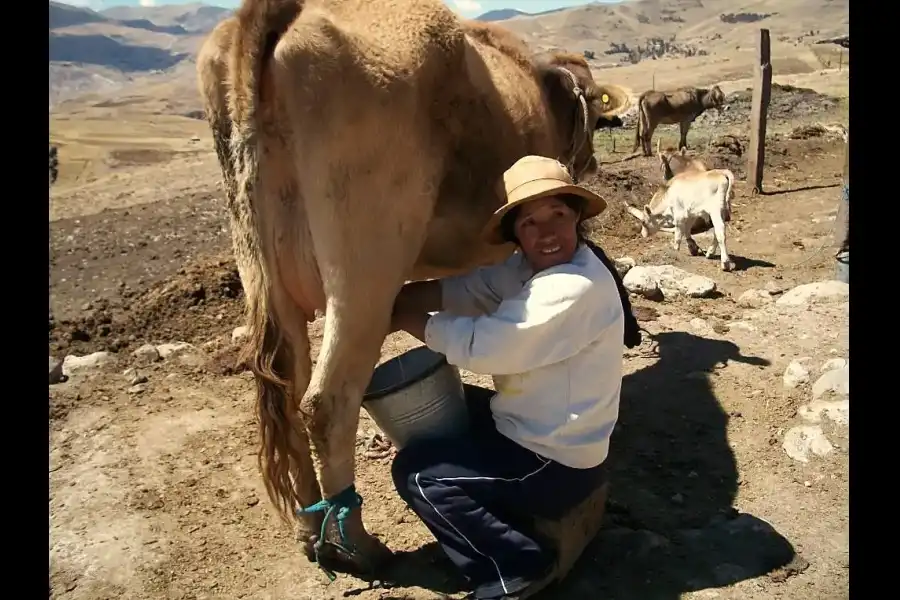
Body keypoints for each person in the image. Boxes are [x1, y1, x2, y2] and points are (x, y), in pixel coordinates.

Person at [388, 155, 637, 600]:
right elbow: (471, 288)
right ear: (517, 236)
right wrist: (396, 295)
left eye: (557, 215)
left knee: (420, 475)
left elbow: (485, 347)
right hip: (548, 429)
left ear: (576, 217)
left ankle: (515, 567)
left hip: (554, 460)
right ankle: (498, 515)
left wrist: (405, 317)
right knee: (447, 411)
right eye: (529, 223)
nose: (545, 232)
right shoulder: (533, 267)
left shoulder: (573, 287)